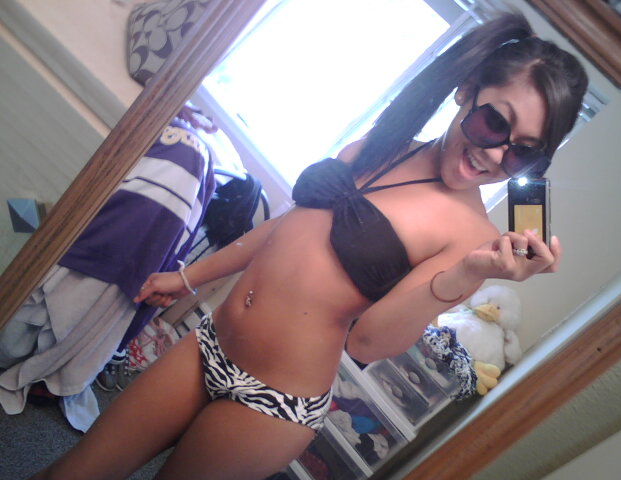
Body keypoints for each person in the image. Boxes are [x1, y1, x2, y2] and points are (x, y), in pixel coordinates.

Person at [30, 11, 588, 480]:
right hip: (210, 344)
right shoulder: (384, 144)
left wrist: (467, 273)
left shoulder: (473, 237)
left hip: (273, 405)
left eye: (522, 151)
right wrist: (189, 277)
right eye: (494, 124)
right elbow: (288, 229)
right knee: (73, 471)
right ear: (466, 90)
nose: (495, 155)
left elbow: (369, 341)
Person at [0, 104, 216, 431]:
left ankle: (52, 361)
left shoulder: (194, 150)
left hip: (111, 245)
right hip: (122, 250)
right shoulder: (189, 149)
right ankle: (58, 366)